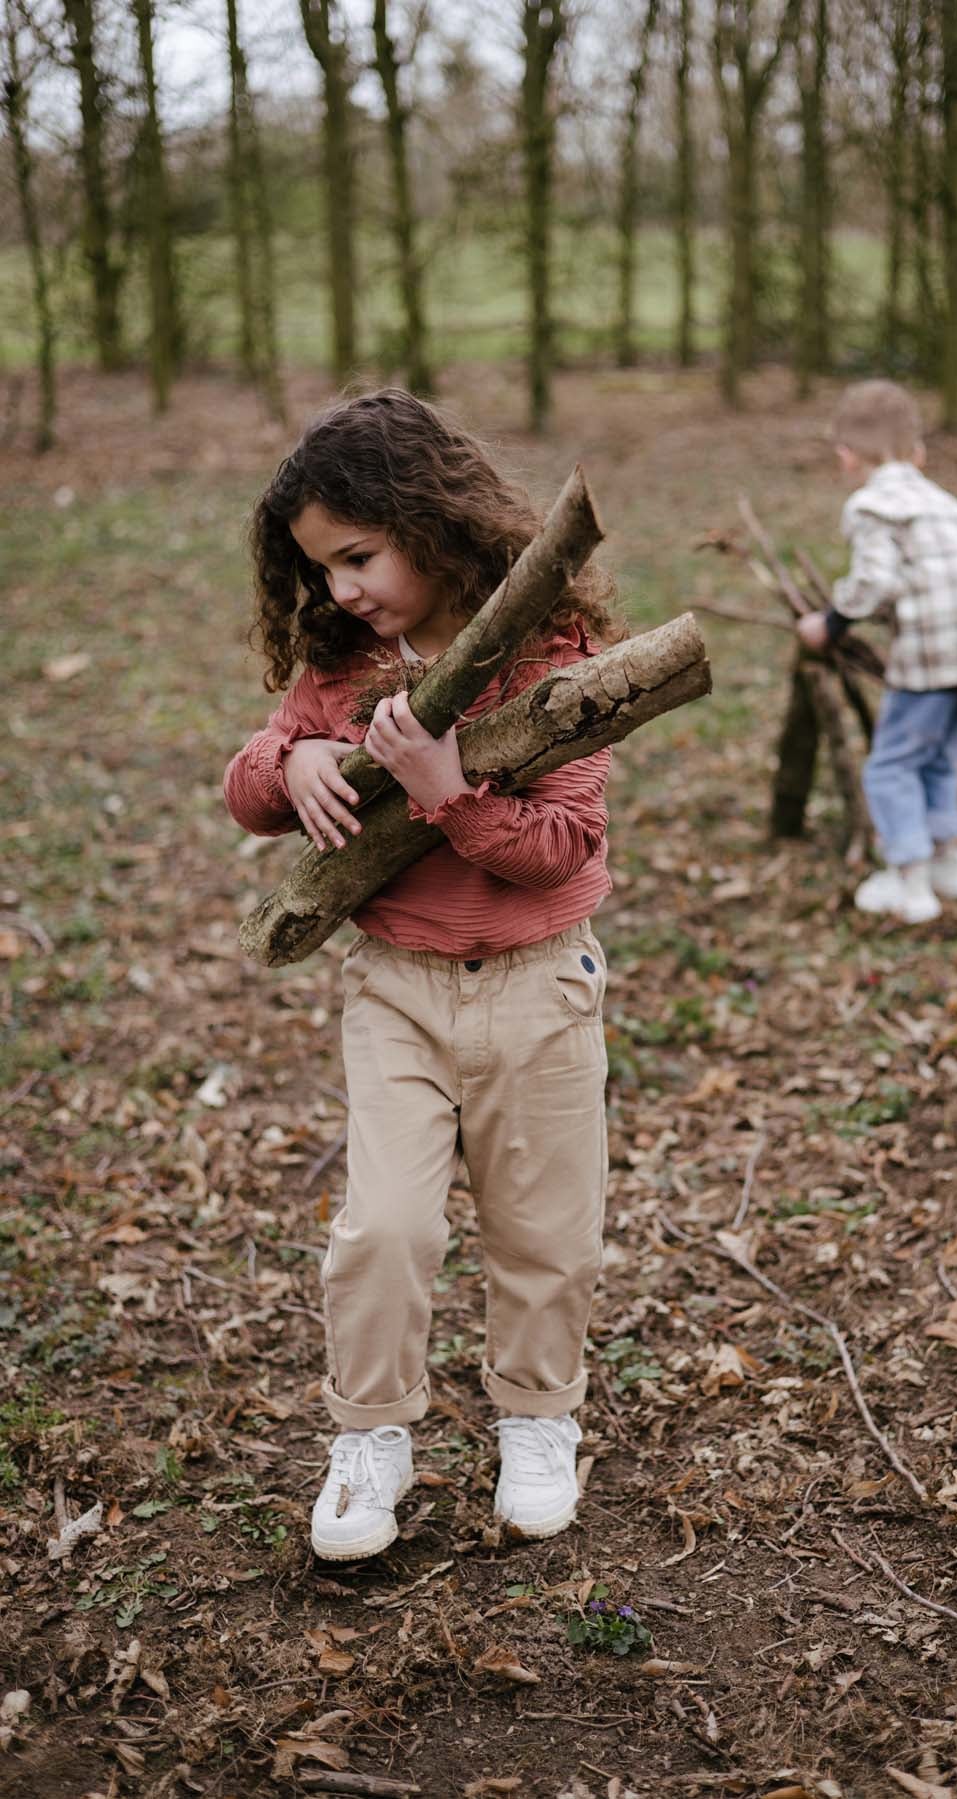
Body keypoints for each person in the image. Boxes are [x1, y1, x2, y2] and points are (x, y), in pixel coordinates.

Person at [224, 389, 621, 1558]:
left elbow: (559, 848)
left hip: (542, 983)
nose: (342, 587)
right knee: (384, 1225)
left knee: (548, 1229)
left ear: (429, 519)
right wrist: (294, 756)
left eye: (360, 554)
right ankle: (372, 1434)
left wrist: (447, 792)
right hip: (396, 990)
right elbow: (245, 787)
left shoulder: (550, 654)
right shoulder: (345, 661)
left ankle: (539, 1418)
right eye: (322, 567)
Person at [798, 379, 957, 924]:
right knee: (940, 757)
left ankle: (909, 879)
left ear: (846, 457)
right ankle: (951, 863)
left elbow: (876, 579)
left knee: (892, 764)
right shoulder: (949, 505)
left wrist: (831, 623)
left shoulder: (871, 504)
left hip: (936, 653)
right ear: (918, 454)